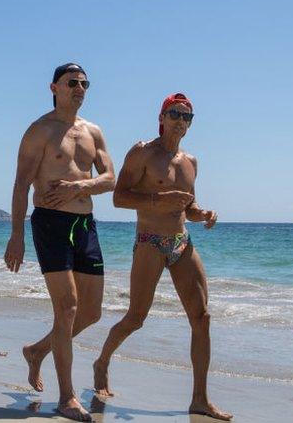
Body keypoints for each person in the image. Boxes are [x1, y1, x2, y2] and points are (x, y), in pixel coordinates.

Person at [92, 93, 230, 421]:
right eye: (176, 114)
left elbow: (188, 207)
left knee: (202, 318)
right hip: (150, 242)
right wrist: (158, 199)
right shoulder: (143, 152)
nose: (181, 121)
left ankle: (199, 399)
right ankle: (102, 361)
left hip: (182, 242)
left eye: (188, 117)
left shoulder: (190, 162)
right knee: (136, 318)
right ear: (163, 117)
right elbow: (119, 198)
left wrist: (204, 214)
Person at [3, 63, 116, 422]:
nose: (80, 88)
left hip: (85, 224)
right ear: (54, 87)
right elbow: (21, 184)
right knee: (66, 309)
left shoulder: (93, 132)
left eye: (85, 83)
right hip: (50, 224)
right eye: (72, 83)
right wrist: (16, 235)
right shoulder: (40, 131)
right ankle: (67, 398)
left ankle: (37, 351)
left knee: (91, 312)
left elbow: (111, 178)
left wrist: (79, 186)